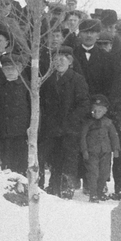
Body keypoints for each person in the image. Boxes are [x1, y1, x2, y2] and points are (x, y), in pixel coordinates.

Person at [38, 46, 89, 198]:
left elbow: (84, 104)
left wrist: (70, 120)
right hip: (51, 128)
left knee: (68, 160)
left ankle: (67, 189)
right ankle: (51, 186)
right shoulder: (48, 79)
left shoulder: (77, 79)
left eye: (62, 59)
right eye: (55, 59)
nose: (58, 62)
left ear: (70, 61)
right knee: (51, 158)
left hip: (69, 129)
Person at [0, 55, 30, 175]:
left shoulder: (26, 86)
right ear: (2, 70)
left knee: (22, 162)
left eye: (13, 68)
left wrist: (32, 129)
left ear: (20, 69)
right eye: (7, 68)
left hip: (22, 133)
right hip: (4, 131)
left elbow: (34, 110)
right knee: (6, 163)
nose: (10, 71)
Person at [80, 95, 120, 201]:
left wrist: (116, 149)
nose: (97, 113)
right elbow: (83, 137)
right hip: (92, 151)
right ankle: (93, 194)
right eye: (95, 110)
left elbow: (113, 136)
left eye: (100, 110)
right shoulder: (88, 123)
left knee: (104, 173)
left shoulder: (108, 122)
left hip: (106, 151)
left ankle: (99, 192)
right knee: (93, 173)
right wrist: (84, 150)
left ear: (104, 111)